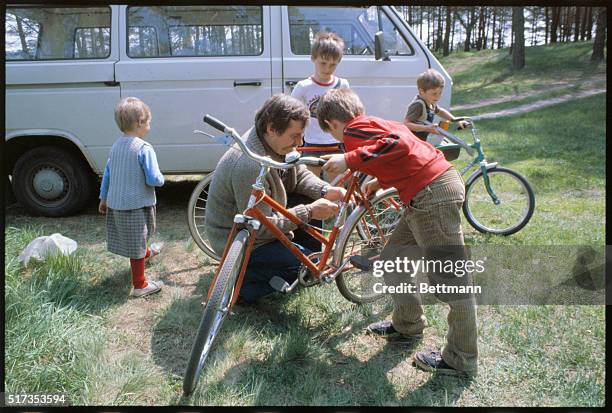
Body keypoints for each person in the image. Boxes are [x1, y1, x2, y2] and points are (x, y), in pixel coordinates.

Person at [317, 88, 478, 377]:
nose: (339, 142)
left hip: (432, 194)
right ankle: (407, 325)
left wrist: (349, 159)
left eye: (332, 135)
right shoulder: (374, 122)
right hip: (429, 189)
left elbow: (395, 145)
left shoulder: (354, 131)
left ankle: (461, 359)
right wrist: (379, 181)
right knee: (393, 261)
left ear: (331, 124)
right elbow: (405, 148)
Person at [205, 94, 346, 302]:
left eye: (301, 135)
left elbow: (299, 175)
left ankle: (296, 257)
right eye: (294, 136)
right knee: (304, 270)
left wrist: (324, 190)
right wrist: (309, 212)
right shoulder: (249, 166)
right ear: (272, 128)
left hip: (264, 224)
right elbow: (260, 227)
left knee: (312, 262)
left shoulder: (271, 141)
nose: (299, 143)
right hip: (245, 241)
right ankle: (238, 283)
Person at [99, 97, 165, 298]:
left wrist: (103, 198)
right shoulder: (144, 148)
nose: (150, 126)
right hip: (136, 205)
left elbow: (107, 175)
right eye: (149, 121)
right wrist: (161, 179)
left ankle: (146, 253)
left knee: (135, 238)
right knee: (137, 240)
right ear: (140, 122)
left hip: (118, 204)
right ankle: (140, 285)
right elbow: (154, 179)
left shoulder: (115, 146)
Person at [291, 31, 350, 180]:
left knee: (335, 188)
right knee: (312, 188)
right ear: (313, 58)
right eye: (323, 63)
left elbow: (350, 114)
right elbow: (291, 115)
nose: (327, 69)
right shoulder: (303, 86)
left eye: (333, 65)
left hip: (336, 144)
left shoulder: (342, 84)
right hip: (312, 145)